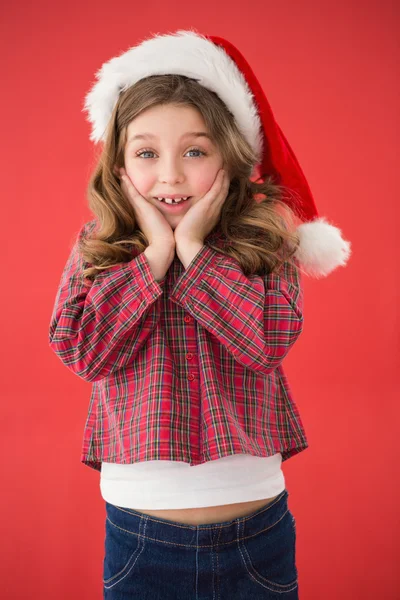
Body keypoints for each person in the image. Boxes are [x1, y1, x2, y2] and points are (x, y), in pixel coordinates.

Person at [49, 29, 351, 599]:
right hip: (140, 533)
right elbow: (83, 351)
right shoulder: (99, 246)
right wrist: (155, 259)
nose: (170, 175)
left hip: (258, 531)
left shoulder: (263, 243)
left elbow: (265, 342)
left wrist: (192, 250)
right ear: (118, 164)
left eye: (195, 150)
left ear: (228, 157)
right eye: (146, 153)